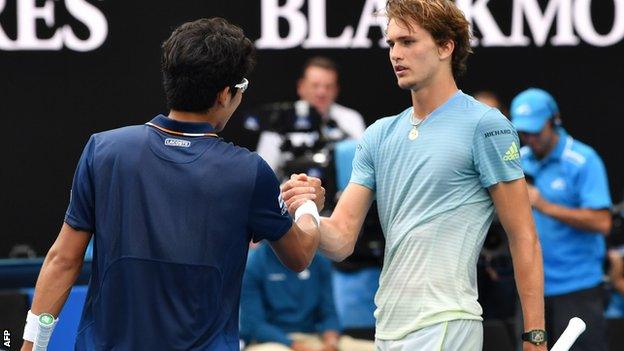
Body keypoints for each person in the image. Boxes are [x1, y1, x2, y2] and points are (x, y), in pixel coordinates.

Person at [21, 18, 324, 351]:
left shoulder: (104, 150)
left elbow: (62, 260)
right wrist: (307, 204)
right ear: (225, 95)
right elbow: (300, 255)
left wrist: (33, 344)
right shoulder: (249, 171)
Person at [281, 1, 546, 350]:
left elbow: (523, 237)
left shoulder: (486, 125)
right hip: (388, 327)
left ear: (445, 46)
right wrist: (306, 210)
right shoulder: (378, 135)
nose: (395, 54)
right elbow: (342, 240)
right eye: (391, 44)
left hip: (448, 323)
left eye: (408, 42)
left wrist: (535, 337)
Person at [510, 87, 612, 351]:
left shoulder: (582, 160)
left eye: (535, 130)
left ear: (554, 120)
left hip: (577, 287)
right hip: (531, 290)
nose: (529, 138)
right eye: (524, 132)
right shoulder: (517, 161)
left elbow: (602, 222)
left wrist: (544, 205)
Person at [239, 243, 375, 351]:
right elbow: (253, 325)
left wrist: (331, 343)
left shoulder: (320, 261)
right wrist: (295, 346)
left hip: (314, 337)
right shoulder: (253, 264)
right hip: (272, 341)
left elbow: (329, 313)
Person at [254, 56, 366, 173]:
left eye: (328, 87)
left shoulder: (351, 119)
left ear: (336, 90)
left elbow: (363, 166)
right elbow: (264, 173)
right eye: (315, 85)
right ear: (301, 87)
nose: (321, 92)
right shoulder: (279, 120)